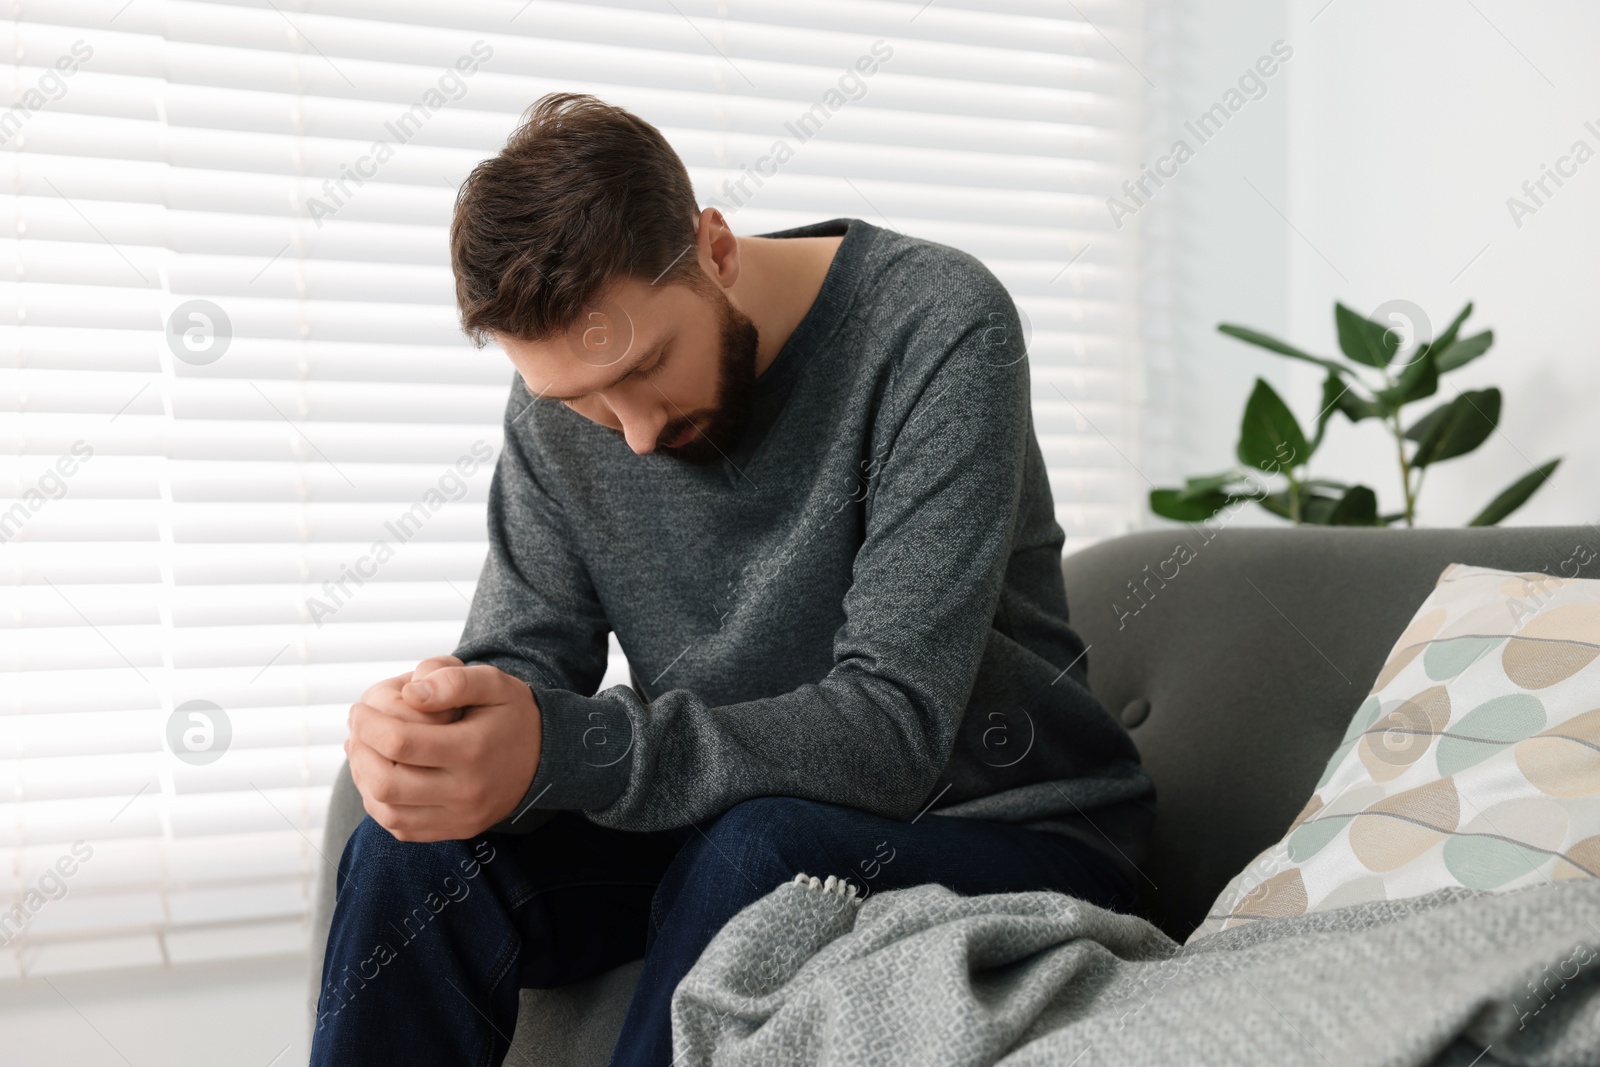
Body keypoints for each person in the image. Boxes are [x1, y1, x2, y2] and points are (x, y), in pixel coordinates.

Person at [311, 92, 1156, 1067]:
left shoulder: (935, 324)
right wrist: (446, 731)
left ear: (714, 247)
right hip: (727, 818)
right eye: (577, 399)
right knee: (410, 847)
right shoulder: (562, 395)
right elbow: (523, 673)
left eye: (647, 364)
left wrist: (565, 741)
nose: (629, 430)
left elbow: (893, 734)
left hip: (1013, 832)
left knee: (760, 847)